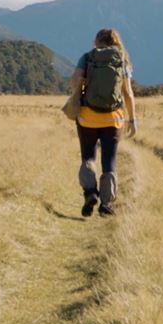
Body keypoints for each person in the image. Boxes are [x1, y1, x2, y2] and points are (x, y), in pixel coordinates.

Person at [68, 28, 137, 217]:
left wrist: (80, 89)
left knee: (88, 157)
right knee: (109, 161)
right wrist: (132, 119)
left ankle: (90, 192)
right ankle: (106, 205)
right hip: (113, 119)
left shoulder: (88, 57)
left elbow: (74, 81)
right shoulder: (121, 60)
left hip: (87, 117)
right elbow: (128, 94)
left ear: (97, 41)